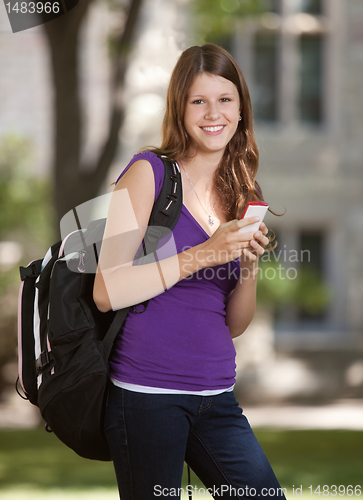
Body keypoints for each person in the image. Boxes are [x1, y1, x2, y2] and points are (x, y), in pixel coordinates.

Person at [93, 44, 286, 499]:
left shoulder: (244, 190)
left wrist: (247, 264)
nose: (212, 113)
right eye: (198, 101)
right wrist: (205, 252)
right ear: (180, 110)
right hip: (145, 393)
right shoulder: (146, 173)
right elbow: (106, 289)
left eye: (224, 100)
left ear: (241, 110)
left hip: (216, 396)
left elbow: (234, 324)